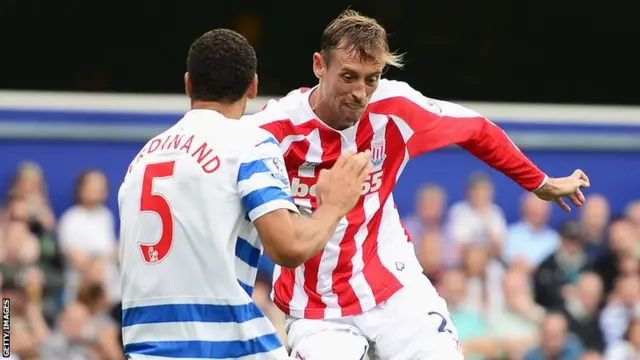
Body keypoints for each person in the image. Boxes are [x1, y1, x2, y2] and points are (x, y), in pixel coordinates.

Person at [245, 10, 591, 360]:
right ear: (319, 65)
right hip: (316, 308)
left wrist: (540, 182)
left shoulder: (395, 108)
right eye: (348, 77)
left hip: (395, 288)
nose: (360, 93)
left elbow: (476, 129)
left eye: (371, 79)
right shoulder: (274, 130)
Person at [117, 29, 371, 360]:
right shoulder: (247, 143)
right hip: (222, 349)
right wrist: (334, 207)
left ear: (188, 84)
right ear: (253, 86)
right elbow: (289, 247)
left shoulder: (142, 159)